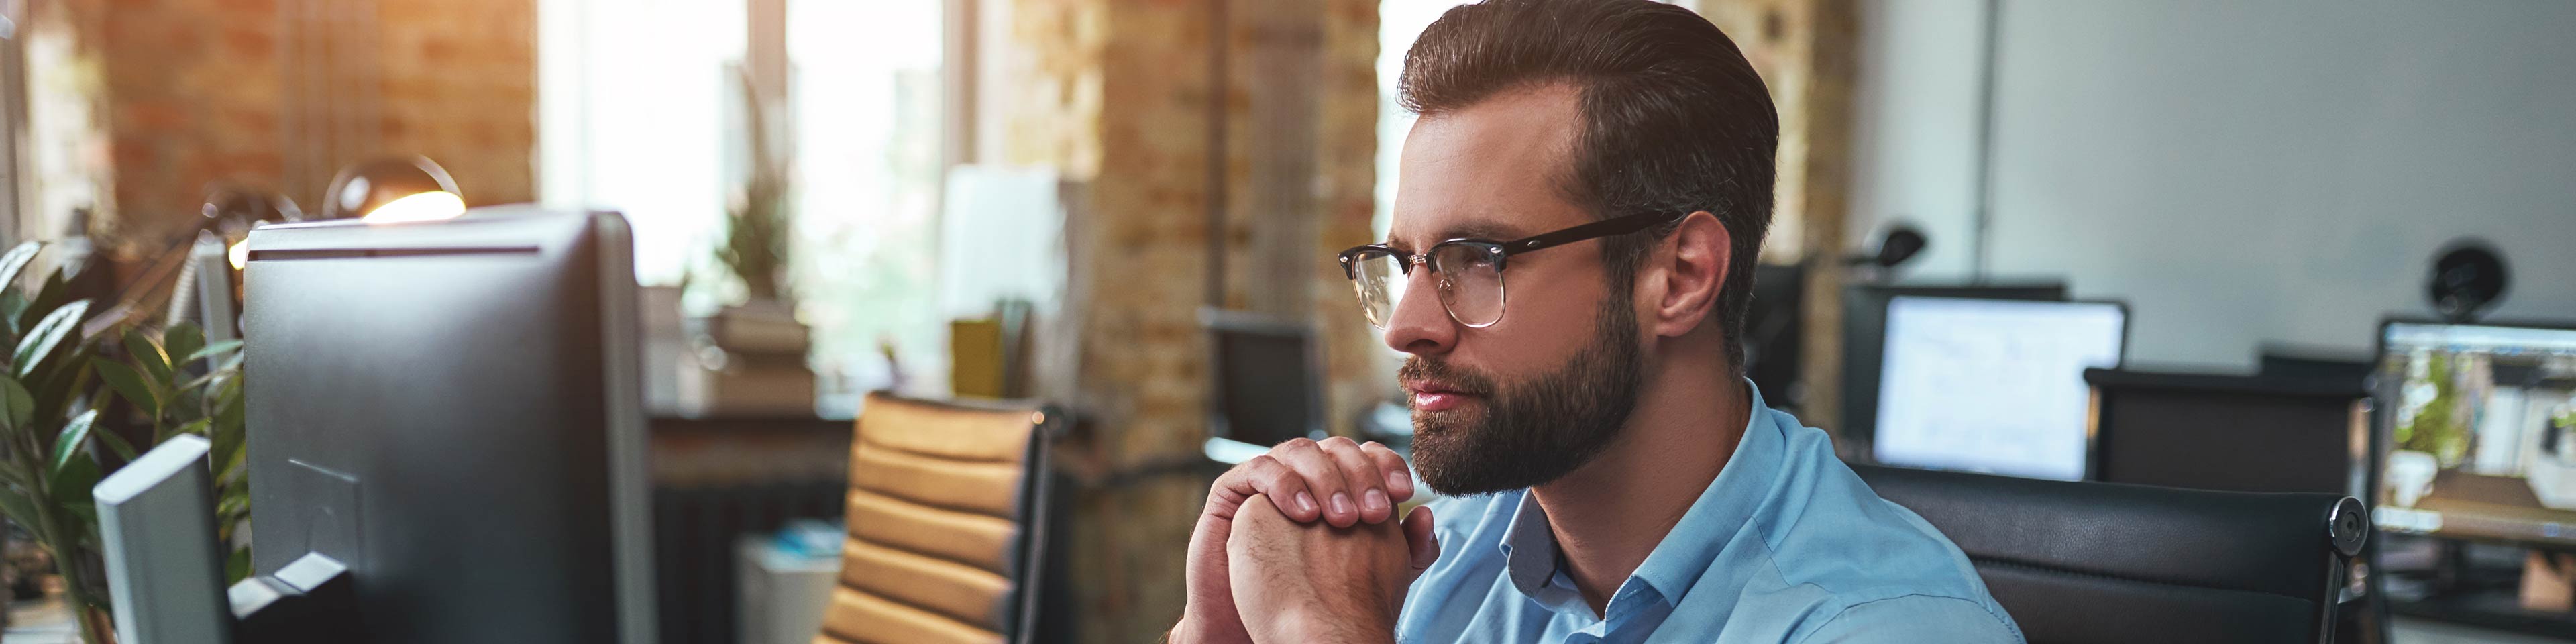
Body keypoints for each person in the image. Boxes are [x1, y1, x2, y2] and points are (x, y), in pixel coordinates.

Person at [1165, 1, 2023, 643]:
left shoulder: (1889, 628)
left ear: (1680, 277)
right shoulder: (1450, 555)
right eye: (1406, 263)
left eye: (1479, 259)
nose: (1407, 326)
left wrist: (1328, 634)